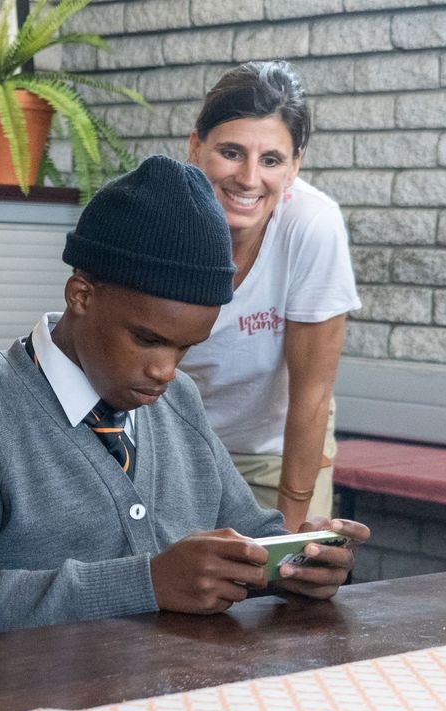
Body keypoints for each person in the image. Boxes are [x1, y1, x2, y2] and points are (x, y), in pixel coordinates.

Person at [0, 156, 369, 640]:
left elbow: (249, 534)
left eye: (185, 347)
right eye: (148, 339)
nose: (166, 371)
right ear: (81, 296)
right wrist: (146, 583)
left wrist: (301, 562)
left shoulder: (180, 400)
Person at [180, 61, 361, 531]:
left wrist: (289, 540)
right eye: (231, 152)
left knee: (290, 587)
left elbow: (313, 394)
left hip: (275, 449)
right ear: (196, 146)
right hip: (174, 448)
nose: (249, 178)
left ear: (295, 164)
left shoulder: (312, 225)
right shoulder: (160, 215)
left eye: (272, 160)